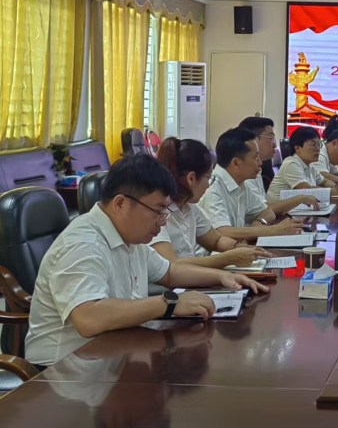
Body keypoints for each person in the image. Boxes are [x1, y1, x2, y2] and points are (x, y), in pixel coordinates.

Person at [24, 155, 269, 366]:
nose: (162, 222)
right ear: (121, 203)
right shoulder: (82, 243)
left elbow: (169, 273)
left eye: (165, 212)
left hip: (112, 356)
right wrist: (169, 303)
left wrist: (224, 276)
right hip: (63, 372)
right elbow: (89, 318)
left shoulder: (130, 236)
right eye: (157, 211)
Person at [152, 137, 271, 268]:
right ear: (191, 178)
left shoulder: (189, 208)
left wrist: (238, 247)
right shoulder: (157, 213)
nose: (209, 185)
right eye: (208, 177)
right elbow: (171, 264)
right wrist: (228, 258)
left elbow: (216, 240)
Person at [198, 128, 305, 242]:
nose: (260, 162)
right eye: (255, 157)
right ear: (236, 162)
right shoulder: (212, 187)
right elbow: (222, 232)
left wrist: (259, 223)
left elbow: (267, 212)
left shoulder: (241, 185)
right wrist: (274, 230)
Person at [238, 116, 319, 217]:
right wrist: (300, 199)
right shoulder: (244, 172)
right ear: (252, 140)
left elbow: (262, 209)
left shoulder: (257, 169)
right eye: (271, 138)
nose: (275, 145)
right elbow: (262, 210)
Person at [266, 126, 325, 202]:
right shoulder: (291, 164)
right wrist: (334, 191)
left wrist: (334, 187)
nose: (318, 148)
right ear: (297, 148)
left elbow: (325, 182)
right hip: (278, 208)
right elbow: (307, 190)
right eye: (313, 144)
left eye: (319, 144)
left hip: (296, 208)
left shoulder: (310, 165)